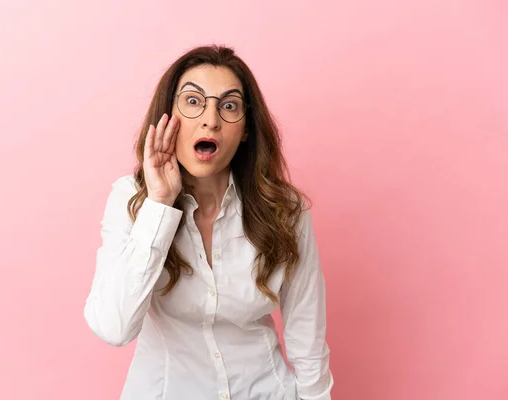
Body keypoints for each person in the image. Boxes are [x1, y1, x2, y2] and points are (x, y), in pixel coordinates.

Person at [84, 44, 333, 400]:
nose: (211, 119)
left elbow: (306, 335)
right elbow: (114, 327)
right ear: (168, 116)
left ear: (246, 129)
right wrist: (160, 205)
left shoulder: (285, 209)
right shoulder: (131, 200)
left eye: (229, 106)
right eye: (193, 101)